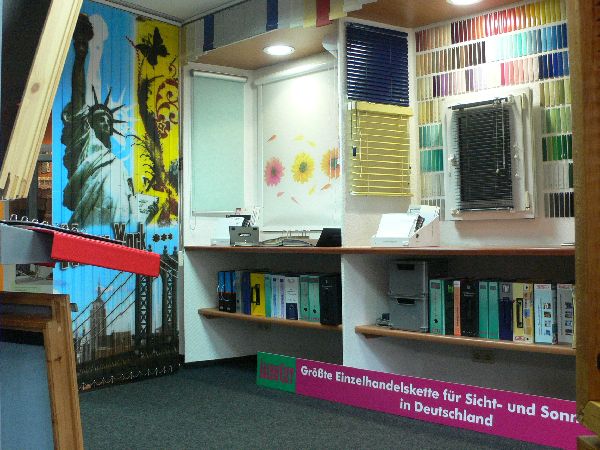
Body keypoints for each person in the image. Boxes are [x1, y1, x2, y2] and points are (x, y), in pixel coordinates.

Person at [61, 14, 136, 228]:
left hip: (118, 232)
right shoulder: (85, 142)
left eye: (108, 120)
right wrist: (81, 56)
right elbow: (78, 96)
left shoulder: (117, 164)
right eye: (99, 119)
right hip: (89, 225)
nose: (105, 122)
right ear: (88, 124)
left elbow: (130, 201)